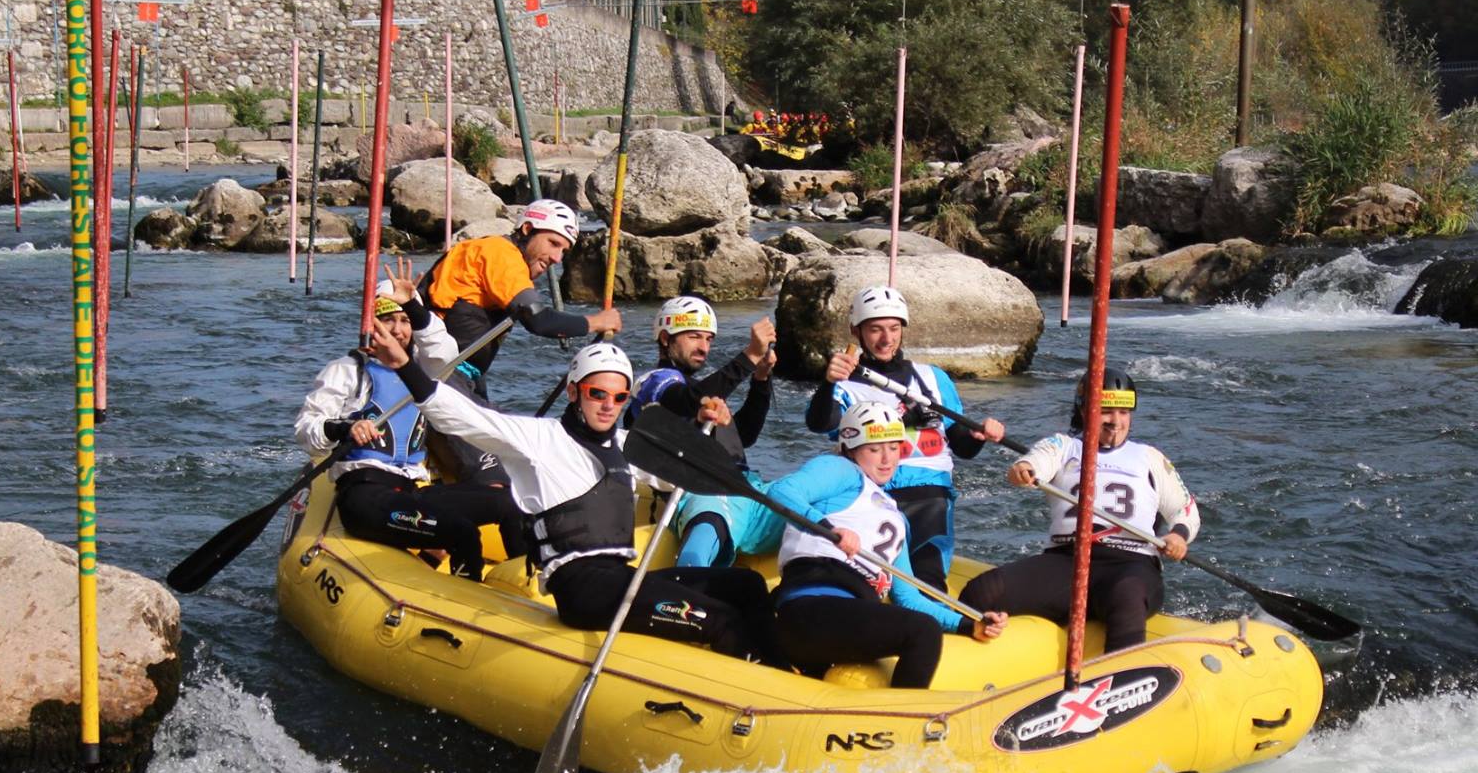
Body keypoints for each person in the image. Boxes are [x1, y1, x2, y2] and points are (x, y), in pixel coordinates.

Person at [370, 319, 784, 665]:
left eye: (620, 397)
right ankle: (751, 703)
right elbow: (462, 416)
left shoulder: (627, 446)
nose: (608, 405)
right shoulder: (537, 439)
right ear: (574, 393)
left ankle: (783, 670)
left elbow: (689, 475)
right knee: (722, 619)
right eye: (596, 394)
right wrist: (406, 365)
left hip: (621, 577)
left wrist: (704, 426)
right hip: (582, 589)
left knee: (744, 586)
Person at [293, 278, 523, 580]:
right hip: (365, 496)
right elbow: (306, 429)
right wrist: (344, 428)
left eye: (405, 321)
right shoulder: (348, 371)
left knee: (511, 504)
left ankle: (529, 584)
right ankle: (463, 599)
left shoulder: (425, 374)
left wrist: (415, 307)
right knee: (462, 532)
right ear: (372, 322)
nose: (399, 330)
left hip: (413, 491)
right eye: (389, 319)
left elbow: (443, 350)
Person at [767, 401, 1006, 689]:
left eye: (893, 448)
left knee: (921, 626)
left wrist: (970, 624)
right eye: (874, 449)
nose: (886, 459)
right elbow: (783, 491)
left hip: (849, 618)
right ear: (850, 449)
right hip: (809, 610)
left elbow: (909, 599)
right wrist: (828, 528)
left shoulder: (894, 515)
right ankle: (906, 724)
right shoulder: (841, 470)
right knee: (922, 632)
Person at [958, 372, 1198, 654]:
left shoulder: (1150, 457)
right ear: (1085, 410)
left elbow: (1185, 510)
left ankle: (1121, 682)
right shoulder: (1063, 446)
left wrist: (1178, 535)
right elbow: (1035, 462)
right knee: (984, 590)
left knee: (1127, 595)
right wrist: (1023, 470)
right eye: (1106, 412)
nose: (1116, 422)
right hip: (1067, 561)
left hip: (1131, 566)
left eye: (1123, 412)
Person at [805, 285, 1004, 593]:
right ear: (855, 331)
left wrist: (979, 435)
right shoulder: (845, 385)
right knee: (861, 581)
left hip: (928, 494)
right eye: (876, 330)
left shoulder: (932, 378)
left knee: (926, 578)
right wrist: (828, 382)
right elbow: (819, 424)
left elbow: (963, 447)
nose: (886, 339)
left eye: (894, 329)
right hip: (869, 494)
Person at [628, 295, 784, 568]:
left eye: (709, 339)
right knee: (710, 517)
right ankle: (686, 582)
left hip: (746, 486)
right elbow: (686, 399)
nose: (704, 347)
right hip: (701, 492)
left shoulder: (704, 391)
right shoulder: (654, 383)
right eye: (694, 337)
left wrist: (760, 379)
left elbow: (744, 437)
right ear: (665, 339)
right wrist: (749, 356)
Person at [414, 198, 622, 400]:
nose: (557, 258)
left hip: (459, 373)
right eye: (553, 243)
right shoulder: (500, 253)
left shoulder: (501, 256)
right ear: (527, 230)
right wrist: (597, 322)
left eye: (563, 251)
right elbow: (539, 320)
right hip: (442, 373)